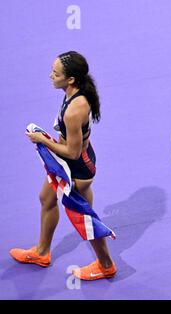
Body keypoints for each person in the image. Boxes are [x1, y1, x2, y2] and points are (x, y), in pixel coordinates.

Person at [10, 51, 116, 280]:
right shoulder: (72, 92)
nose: (51, 76)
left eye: (55, 74)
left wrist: (43, 140)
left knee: (85, 220)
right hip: (66, 163)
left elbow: (74, 152)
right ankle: (41, 252)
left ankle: (106, 265)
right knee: (46, 198)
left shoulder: (74, 110)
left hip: (77, 168)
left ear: (70, 79)